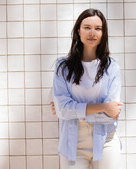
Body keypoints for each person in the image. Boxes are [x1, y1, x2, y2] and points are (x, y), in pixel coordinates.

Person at [52, 9, 123, 169]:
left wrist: (75, 111)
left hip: (106, 141)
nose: (92, 32)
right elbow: (63, 110)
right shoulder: (63, 67)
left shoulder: (111, 68)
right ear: (78, 30)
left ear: (103, 33)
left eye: (98, 28)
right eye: (87, 27)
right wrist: (102, 107)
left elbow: (111, 116)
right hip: (72, 144)